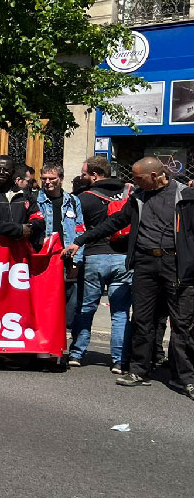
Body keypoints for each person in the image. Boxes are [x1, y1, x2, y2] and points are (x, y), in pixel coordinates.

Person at [65, 157, 194, 397]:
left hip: (174, 264)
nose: (132, 183)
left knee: (181, 323)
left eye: (138, 178)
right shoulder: (137, 198)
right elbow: (115, 222)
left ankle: (185, 377)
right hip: (145, 263)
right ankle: (139, 371)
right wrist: (80, 241)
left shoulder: (185, 196)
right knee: (142, 319)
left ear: (154, 176)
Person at [69, 156, 132, 372]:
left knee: (86, 307)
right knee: (121, 311)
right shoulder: (128, 192)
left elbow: (76, 228)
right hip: (123, 257)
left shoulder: (84, 198)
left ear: (95, 175)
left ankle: (77, 353)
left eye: (84, 174)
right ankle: (119, 360)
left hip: (95, 256)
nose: (82, 177)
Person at [37, 163, 85, 336]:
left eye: (52, 179)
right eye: (44, 179)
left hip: (67, 258)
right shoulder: (36, 200)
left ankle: (59, 341)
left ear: (61, 179)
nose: (47, 182)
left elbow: (80, 229)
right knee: (45, 303)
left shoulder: (73, 201)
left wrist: (76, 261)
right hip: (45, 259)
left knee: (69, 307)